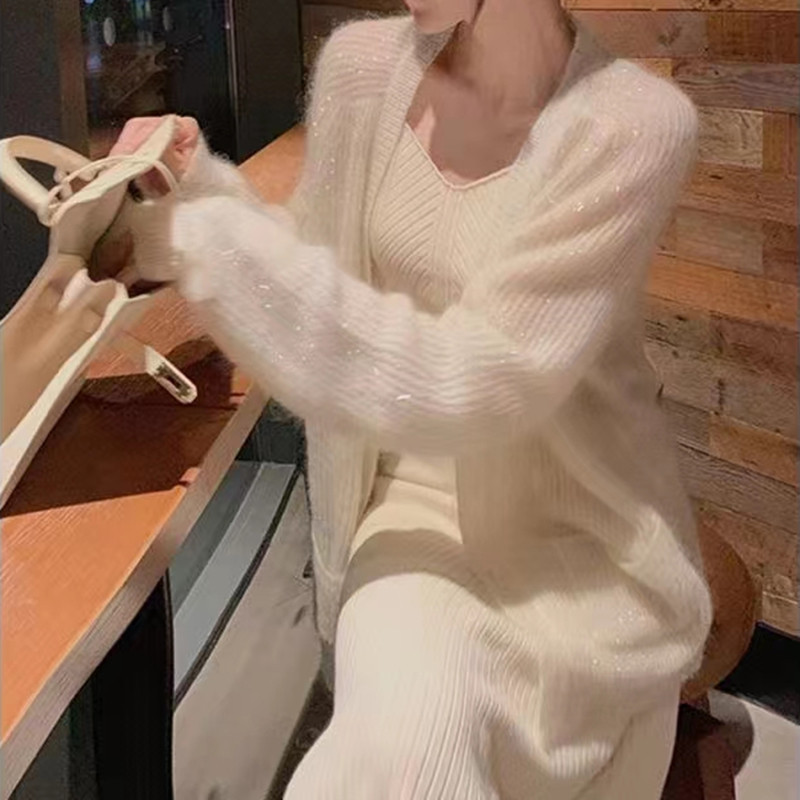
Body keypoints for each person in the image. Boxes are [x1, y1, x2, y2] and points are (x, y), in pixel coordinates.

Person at [105, 1, 713, 796]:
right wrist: (194, 195)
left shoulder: (634, 125)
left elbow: (481, 379)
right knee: (405, 753)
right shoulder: (363, 68)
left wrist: (210, 246)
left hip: (586, 545)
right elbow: (322, 268)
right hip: (406, 513)